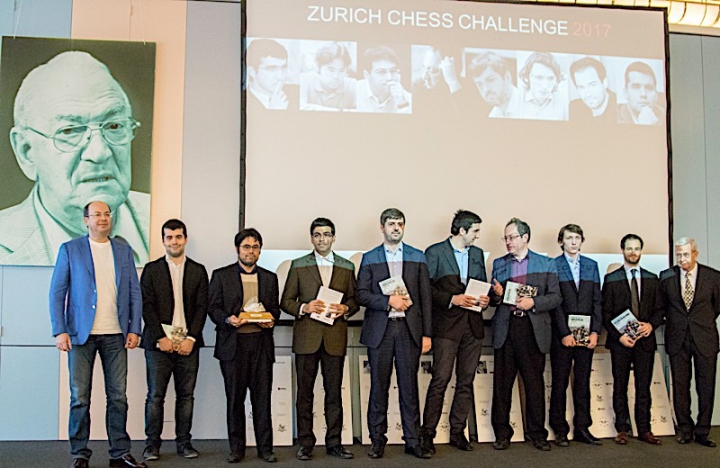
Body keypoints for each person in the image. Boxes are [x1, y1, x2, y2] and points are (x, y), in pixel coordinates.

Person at [0, 51, 149, 266]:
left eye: (114, 126)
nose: (100, 153)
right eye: (69, 131)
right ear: (26, 151)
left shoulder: (164, 218)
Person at [49, 200, 146, 468]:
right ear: (86, 220)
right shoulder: (70, 249)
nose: (103, 218)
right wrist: (60, 330)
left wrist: (134, 328)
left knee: (118, 397)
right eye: (96, 215)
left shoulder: (124, 250)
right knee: (80, 397)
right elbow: (57, 292)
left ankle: (120, 453)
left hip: (116, 335)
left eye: (107, 214)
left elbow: (134, 292)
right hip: (80, 335)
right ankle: (79, 454)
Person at [280, 218, 359, 460]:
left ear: (334, 237)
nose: (322, 239)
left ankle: (334, 443)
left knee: (334, 393)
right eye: (317, 234)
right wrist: (304, 307)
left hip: (334, 337)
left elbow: (354, 300)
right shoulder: (298, 265)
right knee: (304, 394)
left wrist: (345, 309)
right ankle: (306, 443)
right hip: (307, 337)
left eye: (326, 234)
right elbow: (286, 301)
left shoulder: (347, 266)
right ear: (311, 238)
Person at [357, 208, 432, 459]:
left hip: (409, 331)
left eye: (400, 223)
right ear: (382, 227)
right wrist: (388, 301)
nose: (396, 228)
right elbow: (361, 294)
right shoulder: (369, 257)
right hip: (381, 330)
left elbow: (425, 298)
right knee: (378, 388)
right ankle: (377, 440)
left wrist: (427, 334)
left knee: (409, 388)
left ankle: (413, 440)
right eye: (391, 224)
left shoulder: (418, 256)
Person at [419, 210, 490, 454]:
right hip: (446, 327)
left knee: (466, 381)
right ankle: (427, 434)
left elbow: (482, 286)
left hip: (474, 326)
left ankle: (458, 432)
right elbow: (425, 289)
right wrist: (452, 299)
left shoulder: (477, 254)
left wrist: (485, 300)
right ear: (462, 230)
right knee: (440, 379)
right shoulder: (435, 252)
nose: (477, 236)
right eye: (475, 231)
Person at [208, 228, 281, 463]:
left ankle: (265, 449)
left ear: (260, 250)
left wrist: (272, 319)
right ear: (237, 249)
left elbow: (275, 309)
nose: (251, 251)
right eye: (246, 247)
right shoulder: (221, 275)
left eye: (255, 247)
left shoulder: (270, 277)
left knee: (262, 399)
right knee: (235, 400)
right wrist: (228, 319)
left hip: (261, 345)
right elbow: (213, 308)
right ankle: (236, 449)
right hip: (233, 346)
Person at [490, 218, 561, 451]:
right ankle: (502, 434)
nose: (508, 242)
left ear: (525, 238)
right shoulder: (499, 263)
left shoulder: (546, 263)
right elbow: (493, 300)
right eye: (506, 238)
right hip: (506, 326)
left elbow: (555, 297)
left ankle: (537, 433)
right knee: (502, 385)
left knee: (534, 384)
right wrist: (497, 294)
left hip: (532, 329)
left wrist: (534, 303)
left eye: (512, 237)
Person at [140, 219, 209, 461]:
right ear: (163, 241)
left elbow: (202, 307)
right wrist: (161, 337)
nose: (174, 241)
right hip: (159, 345)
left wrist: (192, 338)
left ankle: (184, 443)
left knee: (186, 397)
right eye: (169, 237)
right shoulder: (151, 270)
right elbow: (146, 306)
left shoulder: (198, 270)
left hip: (188, 344)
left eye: (178, 236)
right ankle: (152, 446)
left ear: (185, 239)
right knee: (155, 397)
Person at [656, 237, 720, 447]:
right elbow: (662, 307)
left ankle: (703, 431)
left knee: (706, 386)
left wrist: (700, 322)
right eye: (678, 255)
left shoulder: (713, 277)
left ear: (695, 254)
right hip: (677, 338)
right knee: (680, 386)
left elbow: (716, 307)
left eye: (685, 254)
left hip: (705, 338)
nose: (681, 259)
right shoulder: (666, 277)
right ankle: (685, 429)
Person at [602, 234, 662, 446]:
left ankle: (644, 429)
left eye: (636, 248)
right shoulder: (612, 279)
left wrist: (651, 325)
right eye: (629, 248)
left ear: (641, 251)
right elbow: (605, 313)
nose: (633, 252)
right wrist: (620, 336)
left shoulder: (652, 278)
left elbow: (660, 310)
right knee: (620, 386)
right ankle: (622, 429)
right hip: (621, 343)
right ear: (622, 250)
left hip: (645, 342)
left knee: (643, 387)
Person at [548, 224, 602, 447]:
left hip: (587, 334)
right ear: (561, 241)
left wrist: (596, 331)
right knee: (560, 382)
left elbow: (597, 301)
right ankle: (559, 429)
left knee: (583, 382)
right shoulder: (553, 265)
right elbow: (555, 302)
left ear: (582, 241)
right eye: (569, 238)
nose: (573, 242)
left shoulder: (591, 265)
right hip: (562, 335)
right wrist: (564, 332)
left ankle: (582, 427)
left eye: (577, 238)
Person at [299, 42, 357, 111]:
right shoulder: (304, 80)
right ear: (318, 67)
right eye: (331, 70)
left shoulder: (353, 85)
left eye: (341, 70)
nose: (336, 76)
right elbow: (300, 107)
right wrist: (340, 112)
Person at [356, 46, 412, 114]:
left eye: (393, 71)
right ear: (366, 75)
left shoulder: (407, 98)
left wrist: (402, 103)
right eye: (381, 72)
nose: (389, 78)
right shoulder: (354, 91)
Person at [246, 38, 297, 111]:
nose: (280, 77)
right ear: (252, 71)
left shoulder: (296, 95)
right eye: (271, 69)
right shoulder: (239, 100)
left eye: (283, 68)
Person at [467, 52, 521, 118]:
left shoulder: (528, 108)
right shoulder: (493, 114)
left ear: (507, 77)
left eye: (490, 80)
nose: (486, 89)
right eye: (479, 84)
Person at [411, 46, 463, 114]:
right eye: (424, 68)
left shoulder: (466, 86)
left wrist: (452, 82)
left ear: (450, 70)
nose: (424, 77)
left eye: (433, 70)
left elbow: (468, 118)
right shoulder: (418, 86)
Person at [517, 52, 568, 120]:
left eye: (550, 78)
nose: (545, 86)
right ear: (527, 77)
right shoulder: (516, 98)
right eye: (538, 78)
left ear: (556, 80)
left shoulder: (563, 101)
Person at [569, 57, 617, 122]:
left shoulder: (619, 109)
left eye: (592, 85)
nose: (587, 94)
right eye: (581, 87)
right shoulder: (574, 108)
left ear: (605, 83)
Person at [617, 61, 663, 125]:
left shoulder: (665, 116)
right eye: (636, 87)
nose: (643, 94)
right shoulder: (613, 115)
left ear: (656, 95)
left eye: (649, 88)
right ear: (626, 93)